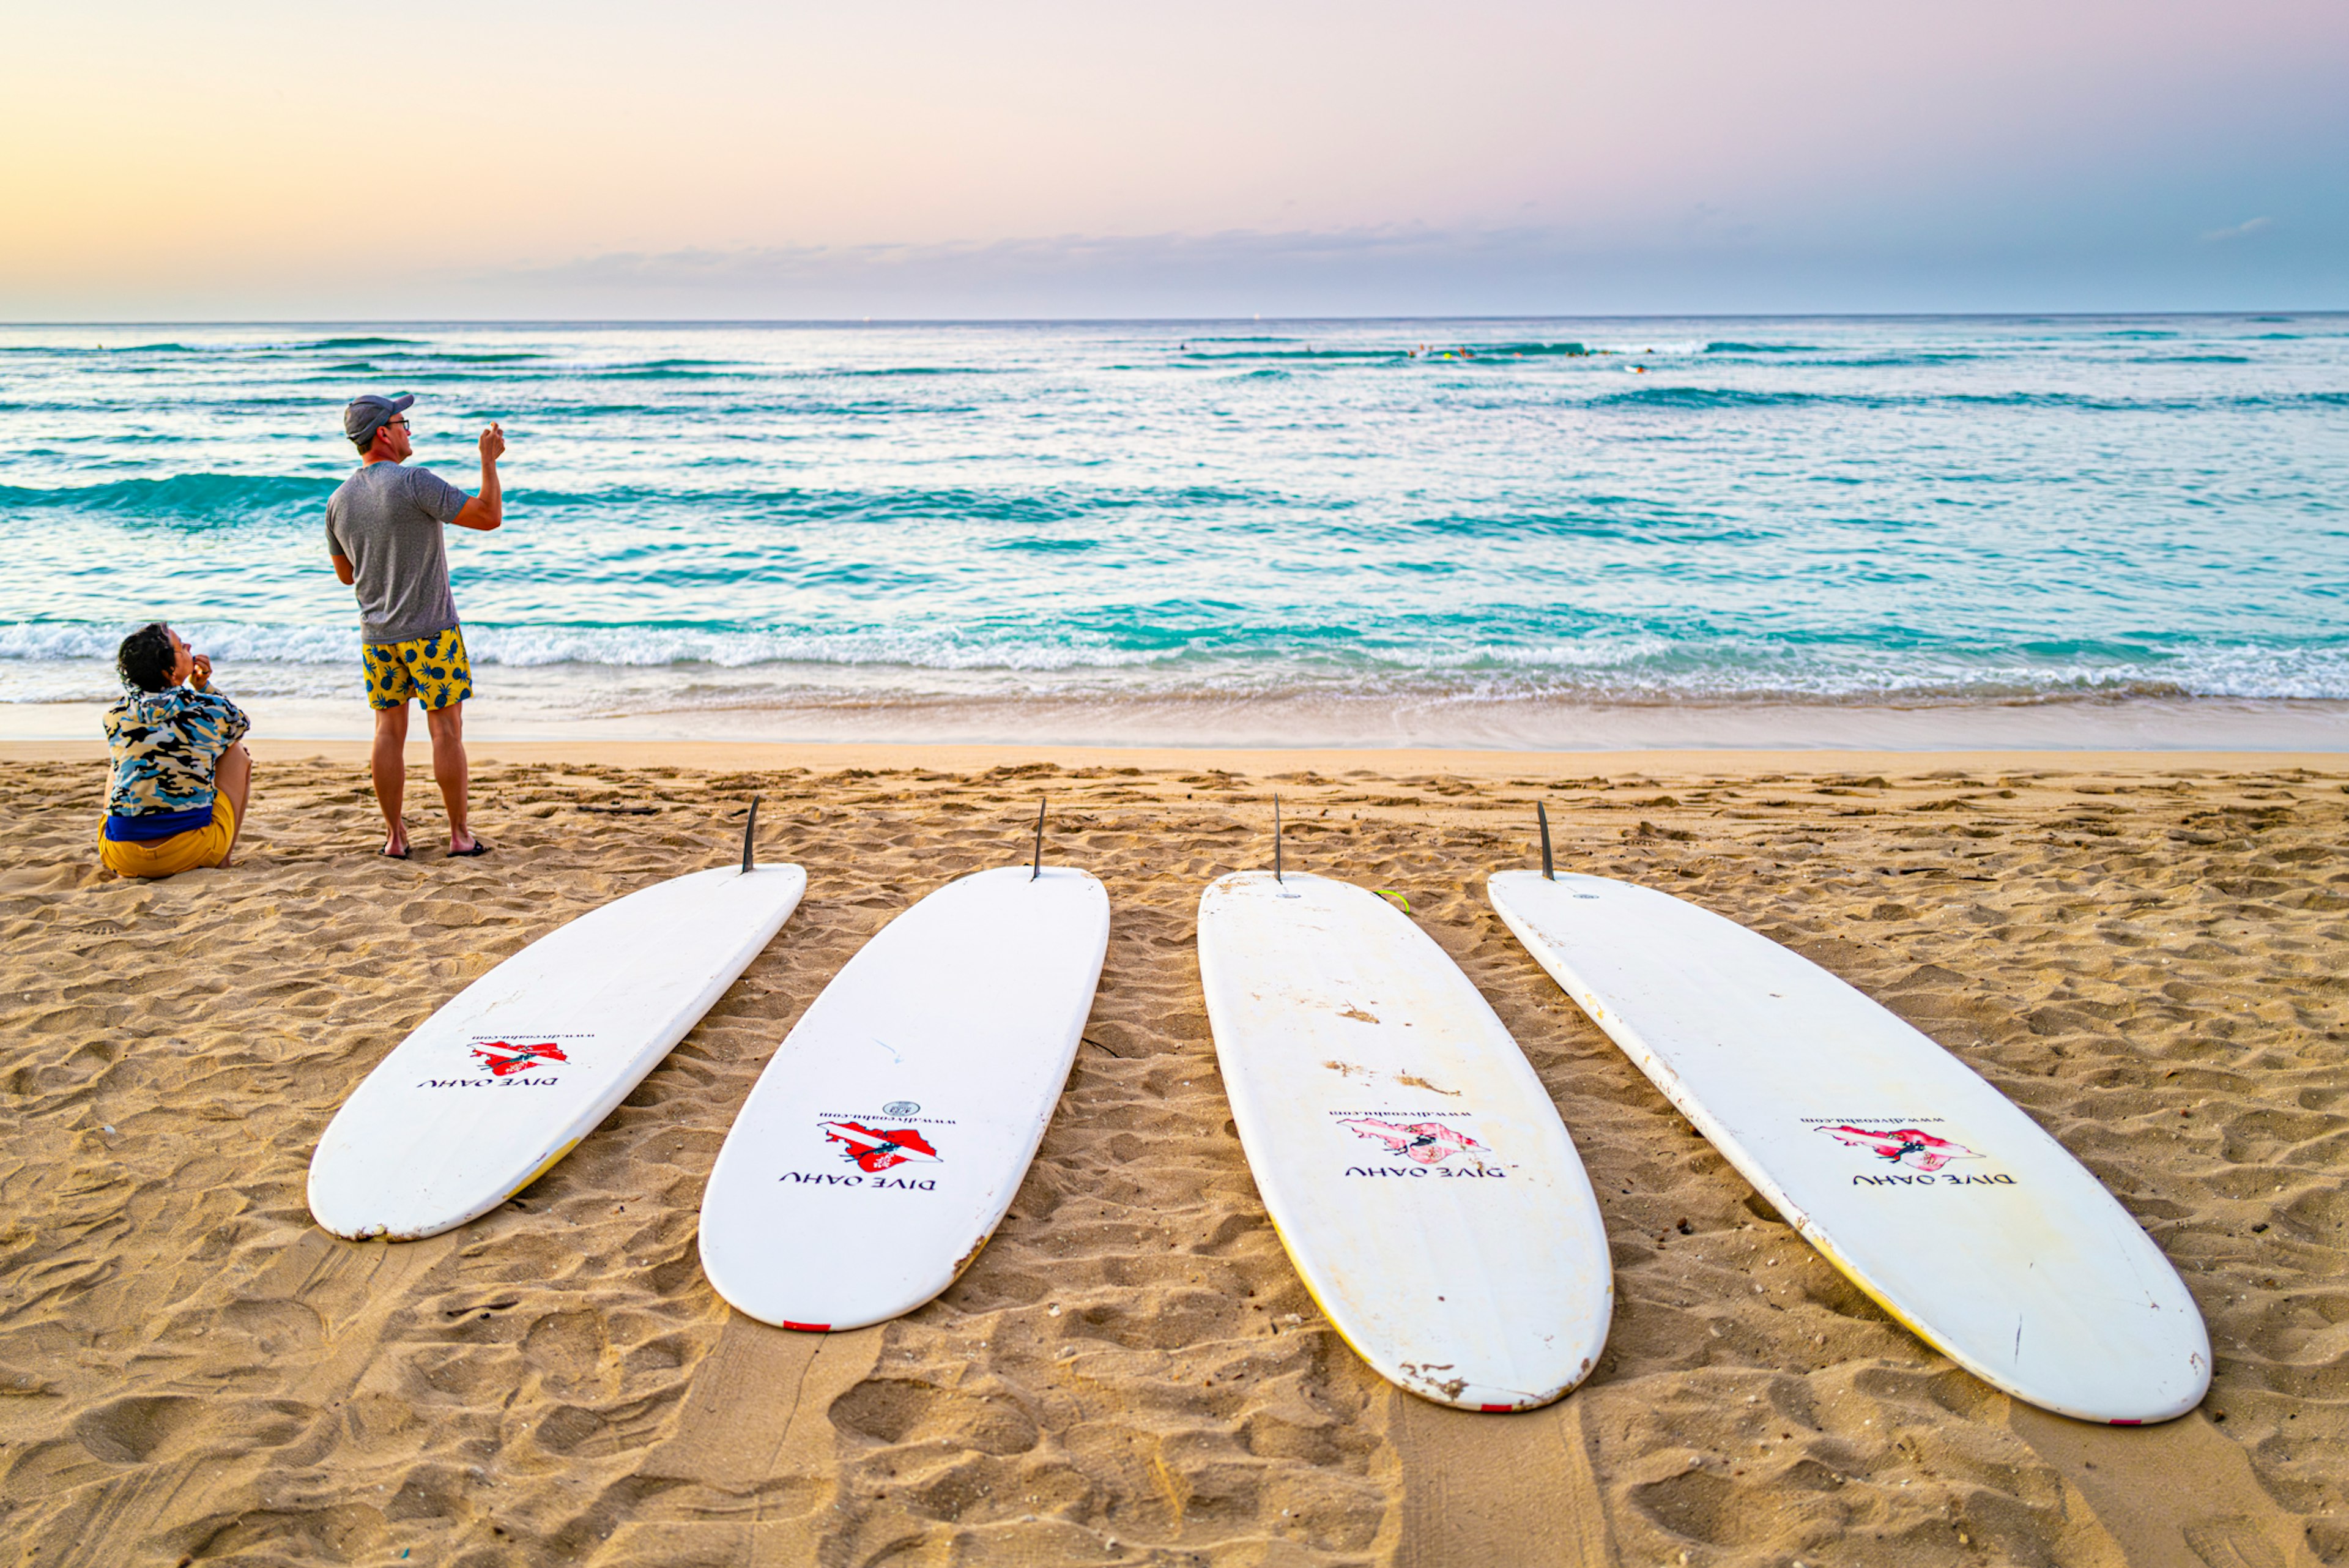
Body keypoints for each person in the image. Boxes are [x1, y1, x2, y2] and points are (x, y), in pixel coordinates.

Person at [325, 394, 506, 860]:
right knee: (446, 730)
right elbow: (489, 517)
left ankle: (394, 836)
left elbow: (346, 576)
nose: (409, 429)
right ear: (384, 433)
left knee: (388, 731)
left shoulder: (338, 502)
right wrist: (487, 461)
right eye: (404, 422)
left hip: (378, 635)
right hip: (431, 629)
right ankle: (460, 834)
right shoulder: (415, 483)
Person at [99, 623, 253, 879]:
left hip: (121, 855)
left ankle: (129, 853)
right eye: (181, 647)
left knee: (125, 758)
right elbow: (239, 724)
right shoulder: (207, 708)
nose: (190, 647)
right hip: (192, 852)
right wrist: (204, 688)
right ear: (170, 672)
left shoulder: (114, 715)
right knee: (236, 753)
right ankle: (223, 859)